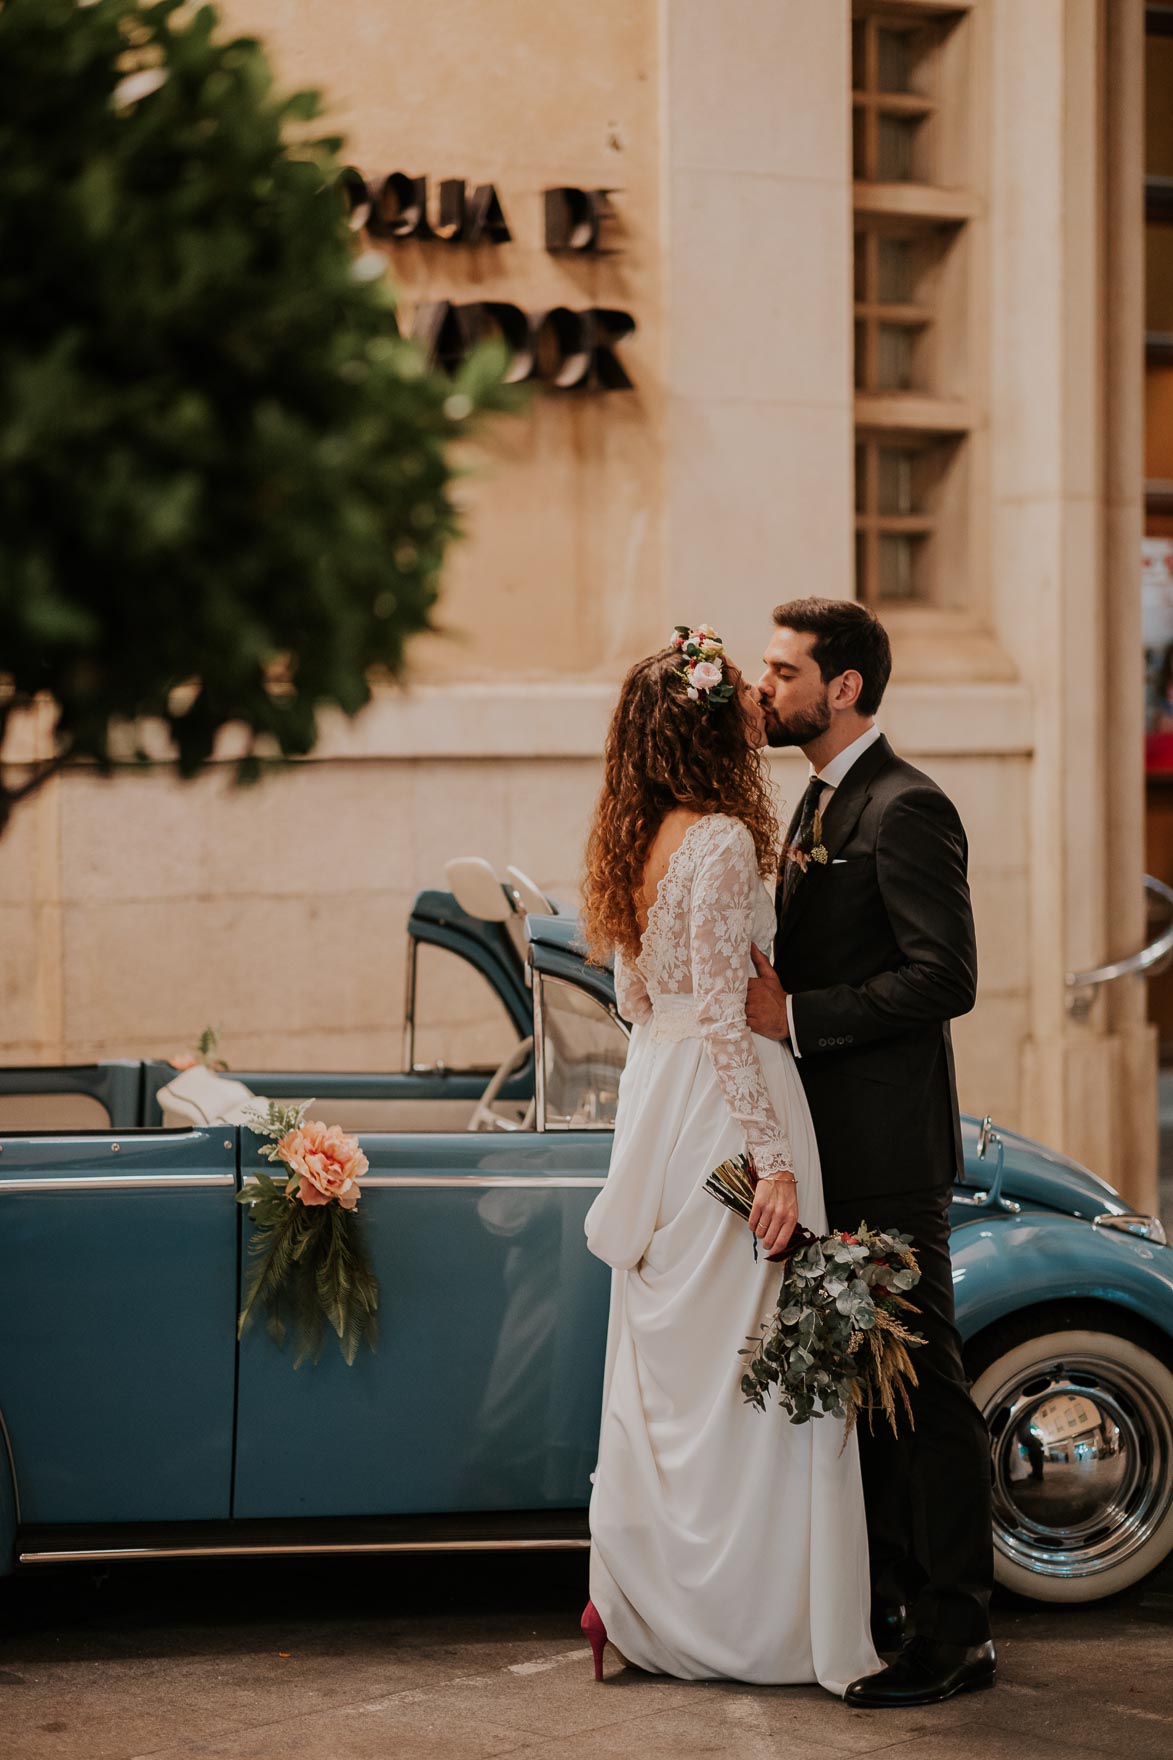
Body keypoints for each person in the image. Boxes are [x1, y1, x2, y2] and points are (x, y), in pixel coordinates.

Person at [578, 626, 879, 1697]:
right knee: (753, 1369)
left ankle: (642, 1605)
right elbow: (719, 1015)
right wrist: (775, 1162)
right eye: (745, 692)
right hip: (724, 1110)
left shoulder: (639, 838)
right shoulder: (714, 842)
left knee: (682, 1378)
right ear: (714, 726)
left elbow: (635, 1002)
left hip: (659, 1110)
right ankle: (760, 1624)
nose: (760, 698)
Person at [745, 596, 995, 1709]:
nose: (767, 688)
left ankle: (957, 1631)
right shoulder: (815, 803)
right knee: (872, 1388)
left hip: (890, 1147)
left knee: (925, 1385)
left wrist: (795, 1015)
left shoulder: (907, 804)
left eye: (783, 670)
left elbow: (947, 976)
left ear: (842, 686)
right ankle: (895, 1605)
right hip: (829, 1143)